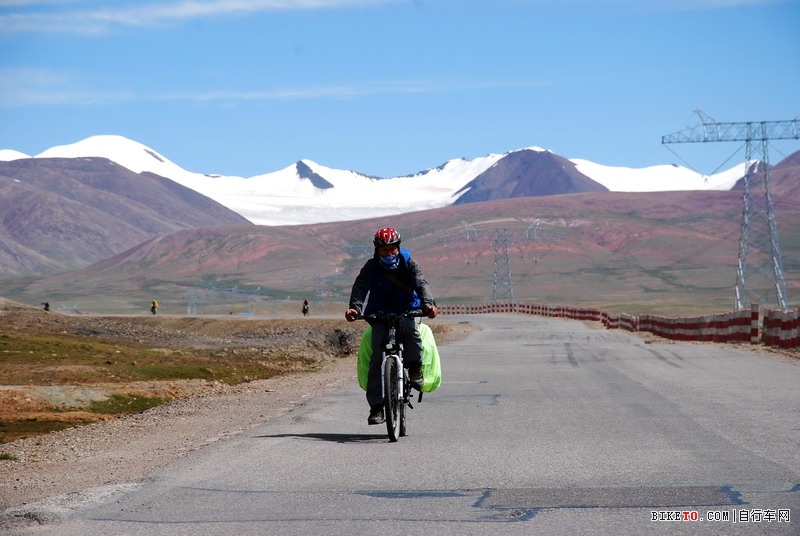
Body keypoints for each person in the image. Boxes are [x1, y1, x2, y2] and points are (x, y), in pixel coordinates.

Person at [345, 227, 438, 425]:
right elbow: (361, 287)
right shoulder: (371, 267)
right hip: (380, 313)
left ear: (398, 248)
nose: (389, 253)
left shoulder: (408, 262)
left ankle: (415, 368)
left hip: (408, 309)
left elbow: (421, 282)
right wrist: (354, 308)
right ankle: (377, 407)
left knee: (412, 333)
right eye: (384, 250)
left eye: (392, 249)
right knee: (377, 358)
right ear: (377, 250)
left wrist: (428, 304)